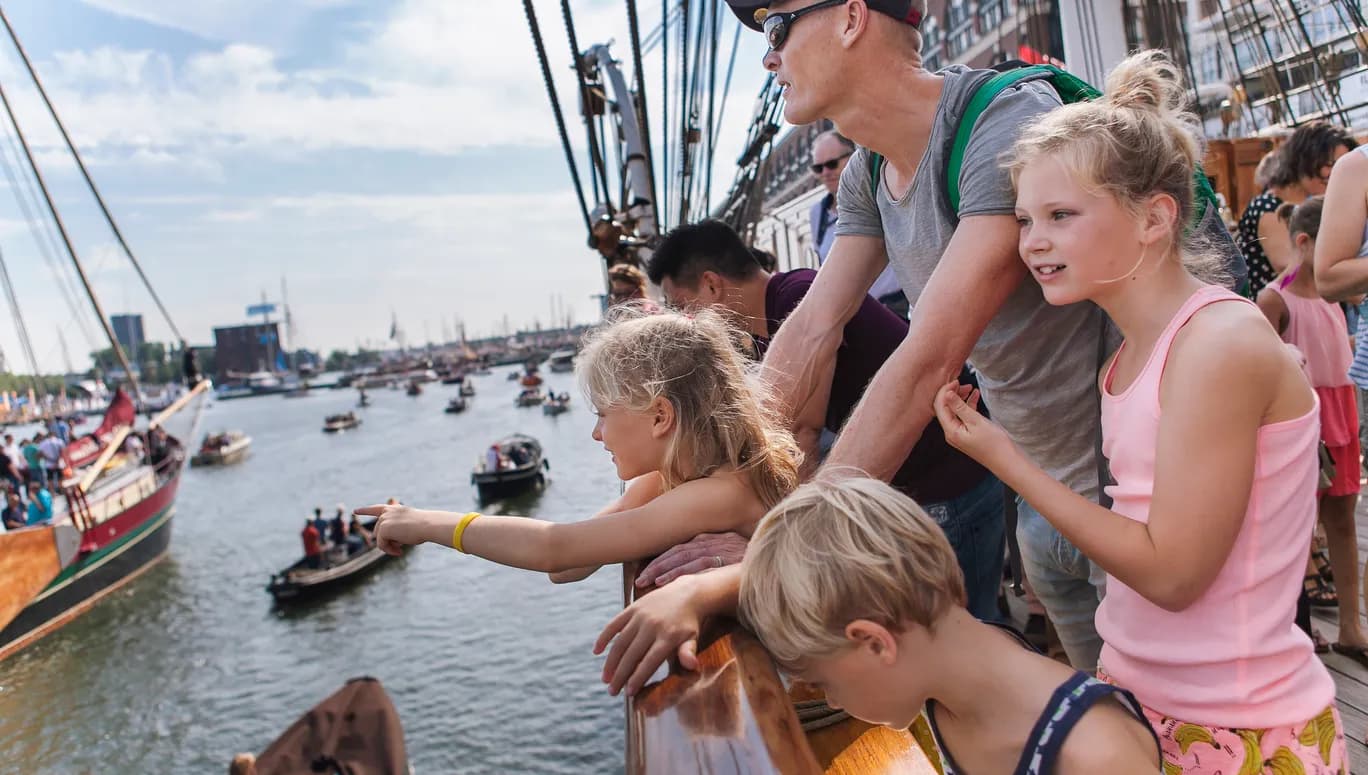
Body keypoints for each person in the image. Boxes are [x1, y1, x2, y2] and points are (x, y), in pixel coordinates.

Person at [694, 0, 1160, 671]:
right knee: (1111, 710)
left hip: (1132, 496)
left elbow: (930, 355)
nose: (769, 56)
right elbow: (814, 328)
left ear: (851, 17)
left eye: (776, 29)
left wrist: (788, 545)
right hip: (1042, 497)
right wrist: (724, 484)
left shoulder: (1004, 128)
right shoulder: (868, 173)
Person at [931, 51, 1345, 773]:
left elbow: (1173, 574)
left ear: (1155, 218)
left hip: (1241, 728)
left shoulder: (1217, 344)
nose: (1032, 240)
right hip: (1150, 702)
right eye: (1026, 218)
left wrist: (1007, 460)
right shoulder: (1127, 359)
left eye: (1061, 215)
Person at [645, 219, 1004, 621]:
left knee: (965, 627)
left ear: (711, 284)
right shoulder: (773, 315)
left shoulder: (798, 301)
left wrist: (762, 539)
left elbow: (801, 436)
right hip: (921, 488)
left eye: (681, 307)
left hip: (948, 490)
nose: (687, 322)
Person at [734, 477, 1161, 774]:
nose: (831, 702)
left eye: (824, 682)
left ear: (875, 643)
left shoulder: (1096, 754)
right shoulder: (940, 685)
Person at [355, 309, 799, 582]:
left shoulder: (717, 493)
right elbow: (567, 567)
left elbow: (558, 548)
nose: (596, 433)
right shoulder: (675, 478)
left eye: (604, 414)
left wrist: (428, 524)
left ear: (660, 416)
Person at [1256, 196, 1368, 663]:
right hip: (1303, 419)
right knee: (1296, 528)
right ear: (1306, 243)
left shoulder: (1337, 294)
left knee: (1343, 520)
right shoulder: (1274, 298)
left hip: (1341, 408)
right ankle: (1296, 626)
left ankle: (1351, 624)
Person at [1237, 122, 1356, 293]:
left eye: (1342, 166)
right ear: (1305, 159)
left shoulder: (1320, 206)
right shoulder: (1266, 207)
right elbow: (1288, 267)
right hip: (1281, 315)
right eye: (1330, 164)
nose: (1336, 173)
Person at [808, 130, 907, 318]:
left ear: (853, 157)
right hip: (854, 314)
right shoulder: (817, 215)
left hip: (896, 308)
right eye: (818, 168)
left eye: (832, 164)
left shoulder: (882, 194)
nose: (826, 173)